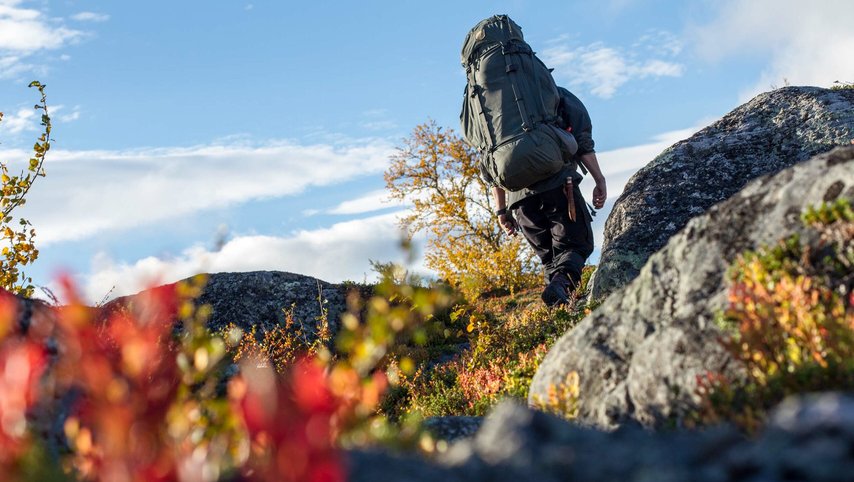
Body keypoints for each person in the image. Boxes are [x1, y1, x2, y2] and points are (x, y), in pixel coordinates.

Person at [492, 87, 607, 306]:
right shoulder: (552, 92)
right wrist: (598, 179)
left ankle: (559, 318)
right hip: (560, 184)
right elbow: (582, 138)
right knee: (575, 247)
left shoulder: (487, 111)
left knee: (550, 261)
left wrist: (501, 210)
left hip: (520, 199)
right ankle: (561, 289)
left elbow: (490, 165)